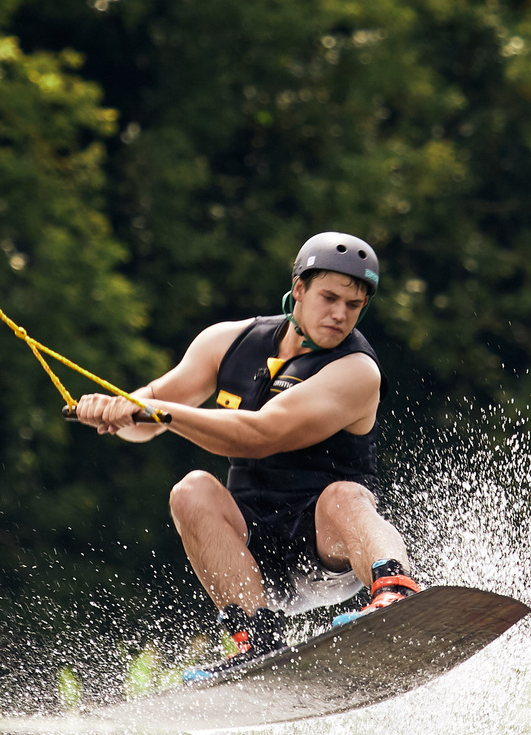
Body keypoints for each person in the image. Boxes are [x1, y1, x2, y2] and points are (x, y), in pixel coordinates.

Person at [74, 232, 423, 665]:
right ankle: (257, 637)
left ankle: (394, 588)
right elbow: (145, 421)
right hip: (255, 546)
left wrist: (154, 410)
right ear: (298, 289)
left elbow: (258, 435)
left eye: (353, 306)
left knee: (344, 495)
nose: (339, 315)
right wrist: (117, 412)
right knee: (191, 490)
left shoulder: (357, 371)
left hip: (326, 548)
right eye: (329, 298)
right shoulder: (226, 342)